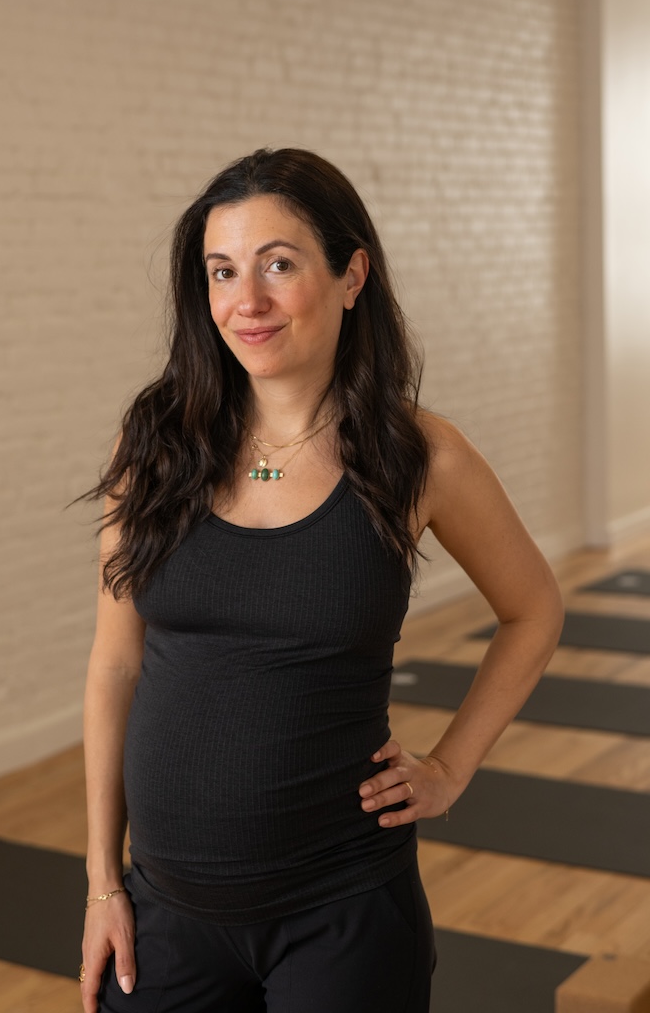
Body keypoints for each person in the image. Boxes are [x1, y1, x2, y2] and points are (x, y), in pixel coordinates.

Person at [79, 148, 563, 1013]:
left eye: (279, 264)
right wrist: (101, 885)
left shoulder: (422, 456)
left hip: (341, 915)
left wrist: (450, 768)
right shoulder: (154, 444)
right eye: (223, 271)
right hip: (164, 915)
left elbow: (533, 610)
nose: (246, 301)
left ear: (351, 276)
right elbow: (116, 665)